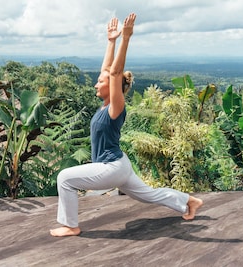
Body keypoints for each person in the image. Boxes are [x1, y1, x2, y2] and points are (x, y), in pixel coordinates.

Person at [50, 13, 203, 237]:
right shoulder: (105, 104)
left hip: (111, 168)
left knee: (64, 178)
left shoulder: (116, 106)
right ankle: (190, 201)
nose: (95, 83)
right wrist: (111, 41)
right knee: (149, 194)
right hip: (120, 164)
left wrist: (126, 38)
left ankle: (71, 225)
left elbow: (114, 72)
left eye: (100, 82)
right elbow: (108, 70)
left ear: (113, 86)